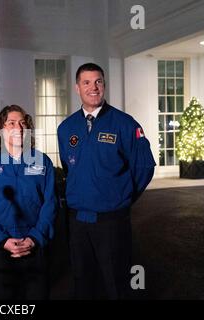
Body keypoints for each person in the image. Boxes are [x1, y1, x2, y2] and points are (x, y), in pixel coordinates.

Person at [57, 63, 156, 299]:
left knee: (115, 283)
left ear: (104, 85)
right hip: (78, 222)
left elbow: (144, 167)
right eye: (87, 82)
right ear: (77, 88)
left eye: (98, 81)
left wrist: (122, 196)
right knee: (82, 282)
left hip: (111, 222)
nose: (94, 87)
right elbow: (68, 166)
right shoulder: (66, 127)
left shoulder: (124, 123)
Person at [0, 105, 58, 300]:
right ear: (1, 130)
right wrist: (2, 240)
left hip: (35, 246)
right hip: (1, 249)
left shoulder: (43, 162)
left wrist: (34, 238)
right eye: (11, 123)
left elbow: (50, 204)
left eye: (22, 123)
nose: (18, 128)